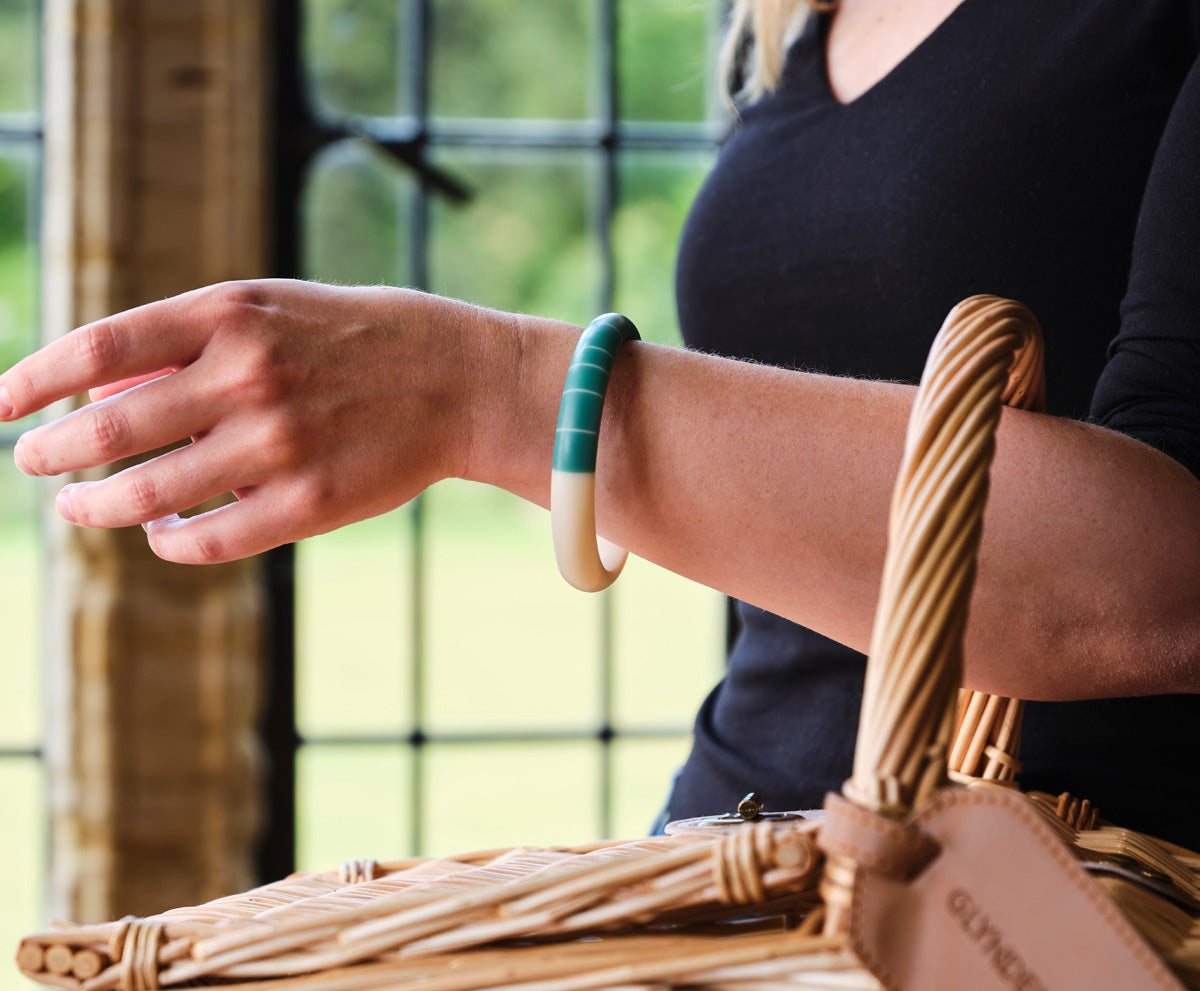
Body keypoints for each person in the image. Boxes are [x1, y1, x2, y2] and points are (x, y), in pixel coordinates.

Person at [4, 0, 1200, 843]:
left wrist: (497, 393)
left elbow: (1164, 588)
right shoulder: (795, 19)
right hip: (742, 895)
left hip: (1071, 981)